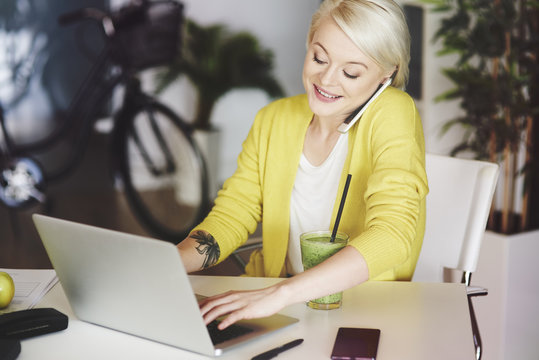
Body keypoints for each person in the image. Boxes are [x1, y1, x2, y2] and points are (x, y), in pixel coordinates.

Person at [177, 0, 428, 330]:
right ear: (309, 44)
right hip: (275, 304)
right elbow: (232, 215)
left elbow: (392, 234)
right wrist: (165, 265)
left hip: (362, 310)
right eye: (319, 57)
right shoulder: (274, 119)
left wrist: (282, 293)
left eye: (351, 72)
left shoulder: (393, 113)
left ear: (387, 74)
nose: (326, 79)